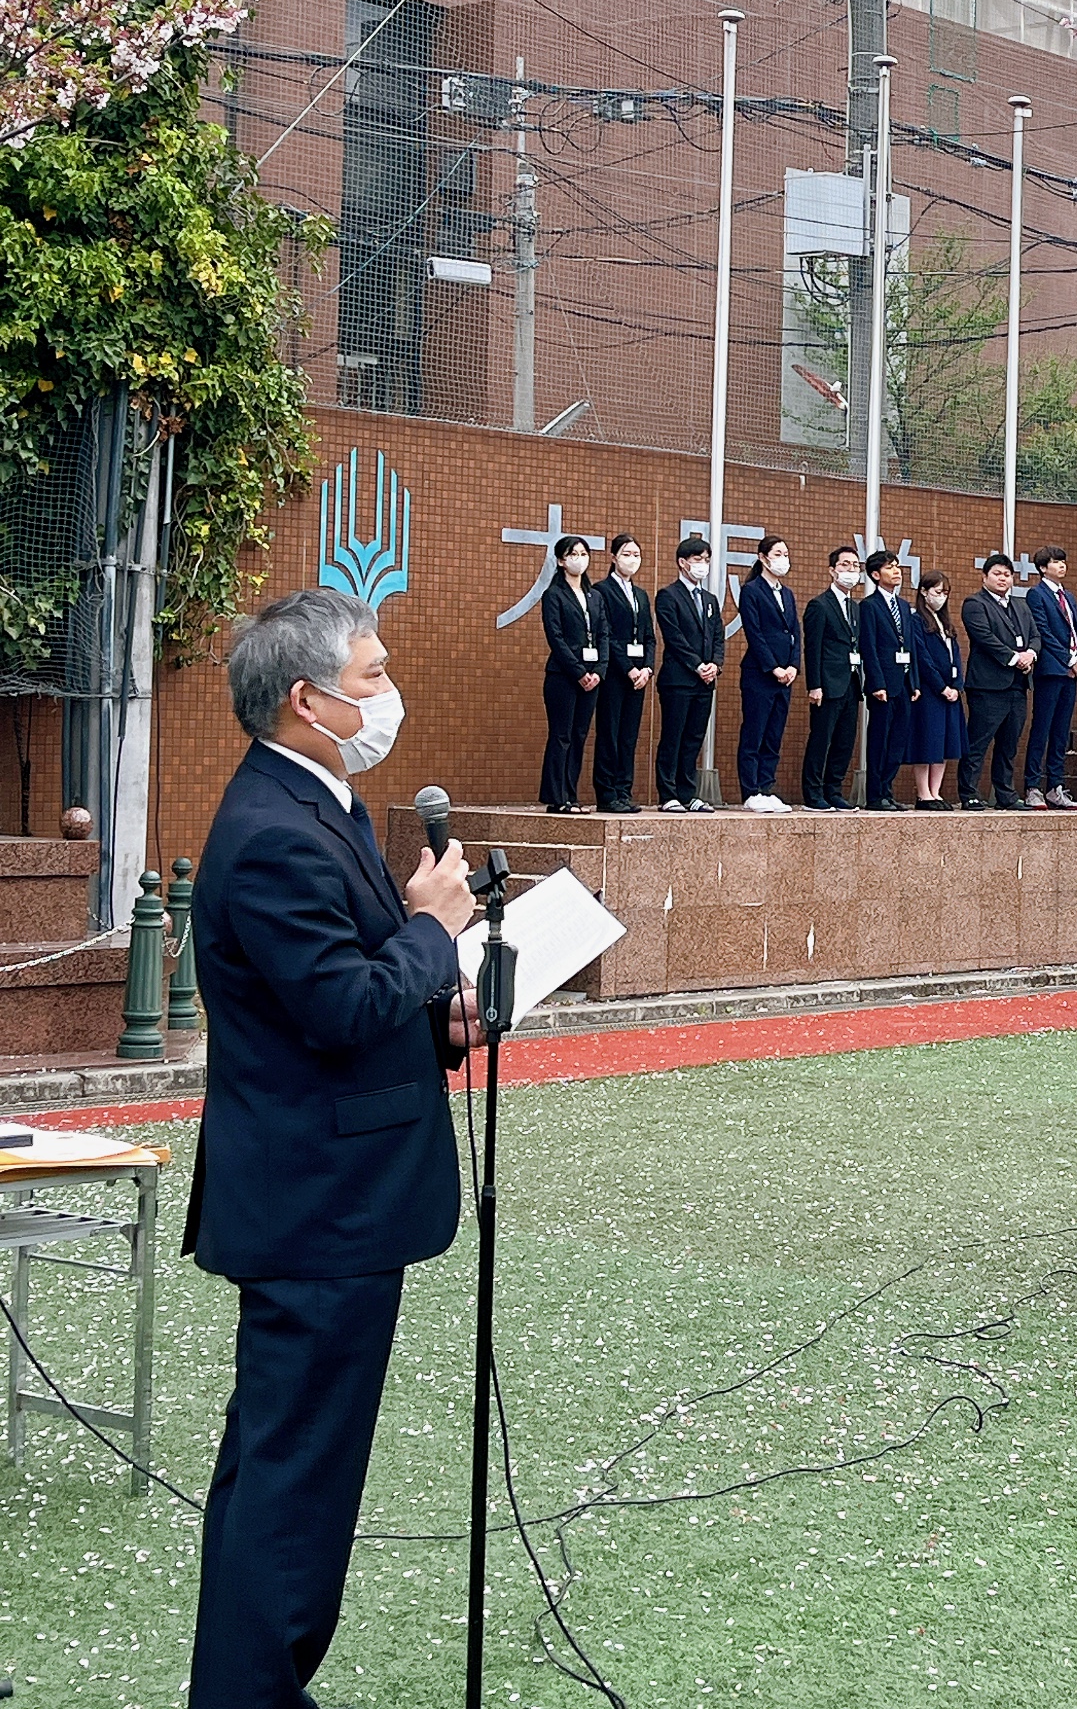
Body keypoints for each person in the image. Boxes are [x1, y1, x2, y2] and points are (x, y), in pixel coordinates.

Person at [184, 588, 481, 1707]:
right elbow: (342, 1005)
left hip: (338, 1194)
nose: (388, 691)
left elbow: (355, 1008)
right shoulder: (270, 831)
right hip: (317, 1210)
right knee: (292, 1484)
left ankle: (257, 1686)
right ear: (307, 701)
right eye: (371, 676)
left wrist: (440, 1012)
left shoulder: (323, 803)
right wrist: (430, 931)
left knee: (289, 1475)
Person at [959, 552, 1041, 809]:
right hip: (988, 686)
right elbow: (985, 638)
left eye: (1007, 574)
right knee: (978, 742)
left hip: (1018, 685)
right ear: (985, 577)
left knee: (1009, 744)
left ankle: (1005, 794)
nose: (1002, 578)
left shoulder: (1021, 605)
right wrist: (1014, 658)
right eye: (997, 573)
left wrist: (1030, 653)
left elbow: (1036, 636)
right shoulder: (975, 603)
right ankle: (969, 793)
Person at [539, 532, 608, 812]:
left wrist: (599, 671)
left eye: (583, 554)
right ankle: (557, 797)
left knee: (579, 735)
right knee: (562, 735)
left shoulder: (595, 596)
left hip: (592, 677)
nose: (579, 559)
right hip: (563, 676)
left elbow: (603, 633)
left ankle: (572, 795)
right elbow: (555, 637)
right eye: (572, 554)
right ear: (560, 561)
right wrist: (579, 671)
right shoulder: (553, 595)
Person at [655, 533, 723, 812]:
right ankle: (668, 793)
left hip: (705, 681)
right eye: (698, 560)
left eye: (706, 560)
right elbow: (674, 637)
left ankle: (687, 792)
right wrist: (697, 665)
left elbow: (718, 637)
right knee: (674, 735)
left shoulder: (710, 599)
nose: (703, 565)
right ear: (683, 563)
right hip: (678, 679)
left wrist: (715, 665)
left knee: (694, 737)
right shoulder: (668, 595)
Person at [735, 532, 800, 813]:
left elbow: (795, 631)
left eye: (785, 555)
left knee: (774, 734)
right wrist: (773, 667)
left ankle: (766, 786)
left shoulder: (787, 593)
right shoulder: (751, 590)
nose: (783, 560)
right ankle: (750, 790)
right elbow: (755, 633)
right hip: (760, 674)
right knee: (755, 732)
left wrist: (793, 666)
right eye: (777, 554)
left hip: (786, 676)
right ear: (762, 557)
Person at [592, 533, 655, 813]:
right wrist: (629, 669)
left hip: (639, 676)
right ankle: (607, 793)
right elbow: (607, 635)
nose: (632, 559)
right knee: (610, 732)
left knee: (629, 735)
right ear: (614, 557)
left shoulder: (641, 595)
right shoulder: (602, 590)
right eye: (627, 554)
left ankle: (624, 790)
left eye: (636, 555)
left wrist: (647, 669)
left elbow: (649, 637)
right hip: (616, 674)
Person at [1022, 543, 1077, 807]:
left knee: (1062, 731)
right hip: (1050, 670)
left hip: (1070, 672)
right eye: (1056, 561)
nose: (1062, 565)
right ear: (1042, 568)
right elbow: (1043, 632)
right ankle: (1032, 785)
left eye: (1063, 561)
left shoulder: (1068, 597)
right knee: (1043, 727)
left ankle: (1056, 785)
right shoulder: (1036, 595)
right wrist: (1067, 657)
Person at [801, 543, 865, 809]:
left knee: (844, 740)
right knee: (821, 739)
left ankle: (834, 790)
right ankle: (813, 793)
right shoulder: (819, 605)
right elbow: (812, 648)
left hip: (851, 682)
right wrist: (814, 685)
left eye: (854, 566)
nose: (850, 570)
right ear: (832, 570)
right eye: (844, 565)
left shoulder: (856, 607)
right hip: (827, 684)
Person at [860, 547, 919, 811]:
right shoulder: (869, 606)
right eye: (889, 567)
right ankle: (875, 795)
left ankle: (888, 789)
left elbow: (911, 647)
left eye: (897, 566)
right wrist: (877, 683)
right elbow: (869, 648)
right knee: (879, 740)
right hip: (884, 685)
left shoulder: (904, 606)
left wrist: (915, 682)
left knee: (898, 741)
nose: (896, 571)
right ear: (875, 574)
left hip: (905, 684)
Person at [908, 571, 966, 807]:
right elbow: (922, 657)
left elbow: (957, 658)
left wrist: (956, 686)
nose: (941, 597)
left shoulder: (946, 623)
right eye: (937, 591)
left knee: (946, 742)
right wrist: (941, 686)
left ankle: (936, 791)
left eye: (945, 593)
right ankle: (923, 793)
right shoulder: (917, 620)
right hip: (931, 692)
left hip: (951, 693)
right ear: (924, 592)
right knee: (927, 741)